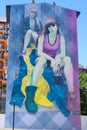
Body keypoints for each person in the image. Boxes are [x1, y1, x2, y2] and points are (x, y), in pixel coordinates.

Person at [31, 17, 76, 109]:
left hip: (55, 59)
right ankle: (31, 95)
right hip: (43, 57)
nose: (51, 28)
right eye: (48, 26)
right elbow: (39, 52)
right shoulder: (43, 37)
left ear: (57, 26)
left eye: (53, 25)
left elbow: (63, 53)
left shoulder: (61, 38)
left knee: (67, 59)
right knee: (41, 60)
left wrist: (57, 59)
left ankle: (71, 95)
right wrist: (51, 60)